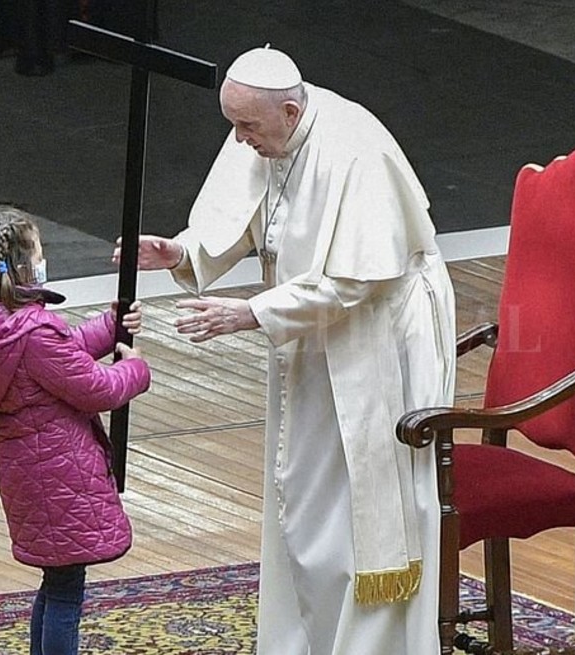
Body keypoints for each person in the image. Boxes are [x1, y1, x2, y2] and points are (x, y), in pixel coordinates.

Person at [117, 46, 456, 654]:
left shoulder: (356, 150)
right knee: (302, 485)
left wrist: (251, 312)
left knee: (361, 496)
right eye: (234, 125)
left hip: (377, 334)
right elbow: (255, 217)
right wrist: (183, 253)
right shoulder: (262, 130)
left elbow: (357, 279)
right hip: (312, 328)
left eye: (248, 127)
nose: (240, 141)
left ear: (292, 111)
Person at [0, 206, 152, 655]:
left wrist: (109, 324)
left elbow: (59, 359)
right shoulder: (33, 332)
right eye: (40, 255)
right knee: (66, 590)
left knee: (56, 580)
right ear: (23, 268)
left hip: (25, 468)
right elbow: (94, 387)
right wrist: (135, 371)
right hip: (60, 469)